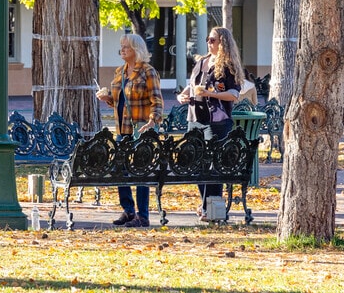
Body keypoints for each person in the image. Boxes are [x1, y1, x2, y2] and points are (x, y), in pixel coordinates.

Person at [176, 27, 244, 222]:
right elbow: (192, 85)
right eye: (208, 39)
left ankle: (212, 209)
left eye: (213, 40)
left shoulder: (228, 66)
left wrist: (210, 94)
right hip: (195, 118)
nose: (209, 43)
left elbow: (233, 94)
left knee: (213, 165)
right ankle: (205, 205)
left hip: (217, 120)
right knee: (196, 162)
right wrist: (184, 95)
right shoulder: (201, 62)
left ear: (223, 42)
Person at [96, 33, 164, 228]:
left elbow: (157, 100)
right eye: (121, 46)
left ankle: (142, 216)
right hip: (122, 129)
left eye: (126, 46)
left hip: (141, 130)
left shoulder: (147, 71)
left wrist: (152, 121)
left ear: (136, 49)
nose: (122, 50)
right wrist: (107, 98)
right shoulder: (120, 72)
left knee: (141, 171)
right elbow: (120, 101)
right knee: (120, 170)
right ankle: (128, 210)